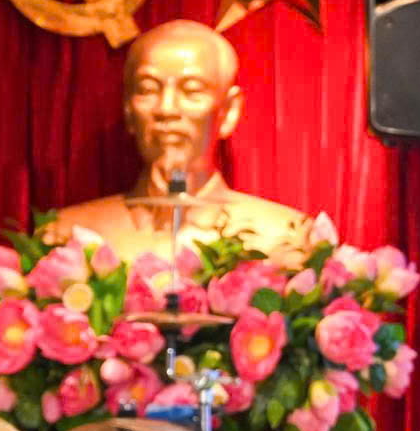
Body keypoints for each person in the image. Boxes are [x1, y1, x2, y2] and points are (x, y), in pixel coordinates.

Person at [44, 19, 311, 255]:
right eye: (148, 90)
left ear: (229, 111)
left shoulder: (286, 237)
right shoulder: (64, 236)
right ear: (128, 108)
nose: (167, 109)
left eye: (191, 90)